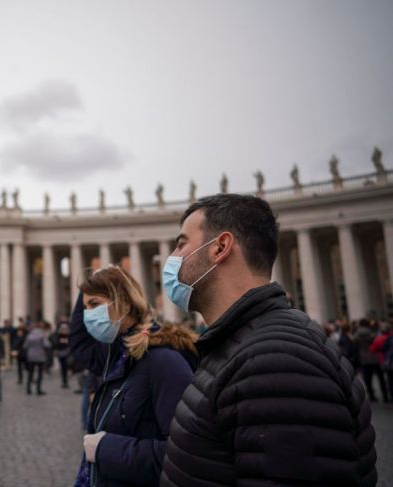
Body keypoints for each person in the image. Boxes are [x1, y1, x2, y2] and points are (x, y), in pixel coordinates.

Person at [159, 194, 377, 487]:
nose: (172, 257)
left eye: (181, 243)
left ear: (220, 248)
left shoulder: (275, 363)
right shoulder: (247, 347)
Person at [70, 266, 197, 487]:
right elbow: (79, 342)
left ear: (125, 304)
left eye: (94, 305)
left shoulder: (165, 362)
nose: (88, 315)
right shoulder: (116, 355)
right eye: (84, 308)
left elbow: (187, 455)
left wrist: (105, 449)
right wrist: (88, 287)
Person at [354, 318, 389, 402]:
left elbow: (355, 346)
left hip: (364, 358)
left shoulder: (356, 335)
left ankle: (371, 395)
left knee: (367, 379)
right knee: (380, 378)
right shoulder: (372, 333)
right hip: (375, 357)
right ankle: (385, 395)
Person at [23, 322, 51, 395]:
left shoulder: (29, 335)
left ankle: (28, 389)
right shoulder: (42, 335)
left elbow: (25, 346)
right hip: (40, 357)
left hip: (31, 357)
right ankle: (38, 389)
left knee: (30, 373)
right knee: (39, 374)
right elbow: (47, 345)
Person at [370, 319, 393, 401]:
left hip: (385, 361)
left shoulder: (379, 339)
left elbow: (373, 349)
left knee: (389, 379)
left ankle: (389, 395)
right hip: (388, 361)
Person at [54, 323, 71, 388]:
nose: (64, 330)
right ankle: (64, 381)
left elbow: (71, 344)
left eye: (65, 329)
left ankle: (66, 381)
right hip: (61, 354)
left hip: (67, 354)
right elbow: (56, 344)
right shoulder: (58, 336)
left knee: (66, 368)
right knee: (63, 369)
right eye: (63, 329)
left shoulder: (69, 336)